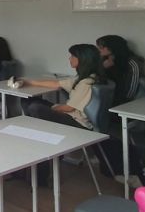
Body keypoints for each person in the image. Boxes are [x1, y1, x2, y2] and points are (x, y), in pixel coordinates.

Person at [19, 44, 104, 185]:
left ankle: (37, 136)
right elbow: (57, 84)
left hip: (78, 123)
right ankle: (37, 133)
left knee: (35, 108)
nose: (69, 59)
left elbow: (68, 108)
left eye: (72, 56)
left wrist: (52, 107)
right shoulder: (82, 78)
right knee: (29, 101)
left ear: (82, 59)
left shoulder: (87, 82)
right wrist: (29, 82)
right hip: (72, 116)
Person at [96, 35, 145, 106]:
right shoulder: (103, 60)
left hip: (122, 101)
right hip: (105, 97)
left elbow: (132, 87)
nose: (99, 49)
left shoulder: (131, 62)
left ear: (112, 47)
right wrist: (102, 67)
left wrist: (123, 102)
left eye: (102, 47)